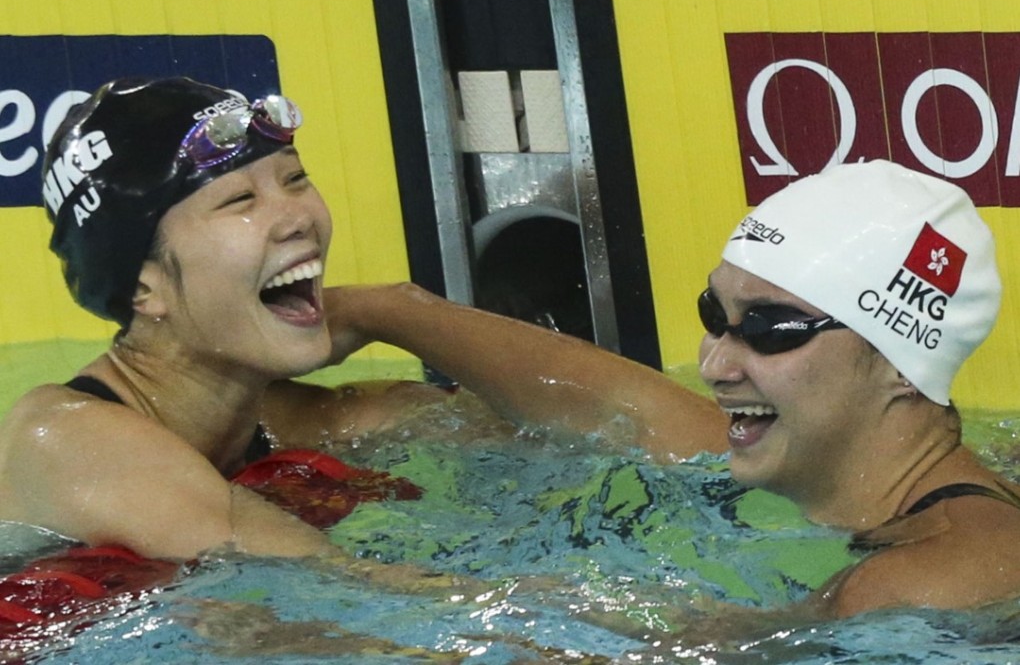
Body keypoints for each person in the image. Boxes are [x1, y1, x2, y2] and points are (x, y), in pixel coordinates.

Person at [0, 76, 726, 569]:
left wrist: (396, 309)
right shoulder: (62, 438)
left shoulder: (315, 427)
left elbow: (685, 443)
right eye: (237, 202)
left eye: (294, 179)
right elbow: (350, 603)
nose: (297, 217)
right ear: (142, 286)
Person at [318, 160, 1020, 619]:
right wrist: (386, 311)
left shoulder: (936, 577)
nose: (715, 362)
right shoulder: (811, 457)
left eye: (769, 329)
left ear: (901, 364)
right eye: (715, 315)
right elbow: (613, 404)